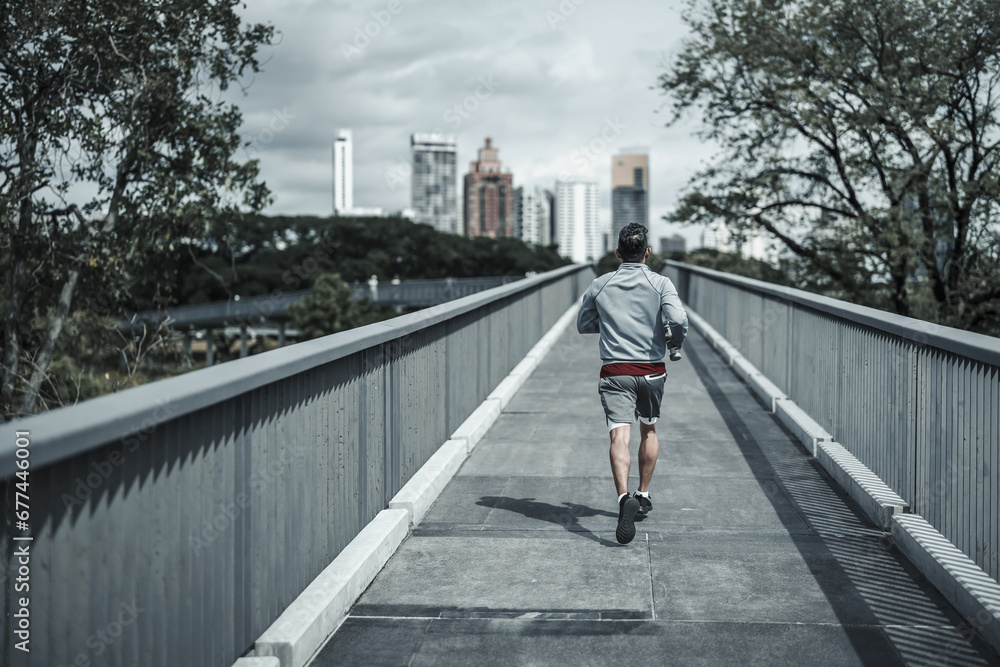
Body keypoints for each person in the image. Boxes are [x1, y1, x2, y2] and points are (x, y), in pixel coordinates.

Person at [577, 223, 688, 544]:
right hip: (653, 371)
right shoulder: (660, 282)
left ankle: (624, 497)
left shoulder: (600, 283)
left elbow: (584, 324)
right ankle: (644, 492)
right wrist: (672, 339)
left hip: (615, 372)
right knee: (649, 429)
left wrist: (612, 324)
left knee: (619, 436)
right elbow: (678, 320)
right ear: (648, 253)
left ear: (617, 253)